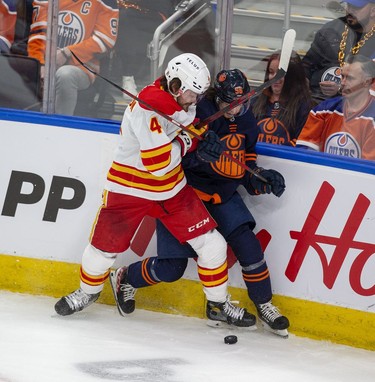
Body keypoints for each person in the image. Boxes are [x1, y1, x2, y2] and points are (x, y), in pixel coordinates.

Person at [54, 53, 255, 328]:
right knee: (103, 250)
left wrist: (201, 139)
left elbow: (186, 131)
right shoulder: (147, 109)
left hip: (171, 189)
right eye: (193, 94)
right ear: (175, 86)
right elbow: (158, 163)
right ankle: (87, 293)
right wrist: (189, 141)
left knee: (213, 246)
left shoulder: (182, 98)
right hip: (129, 188)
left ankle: (218, 304)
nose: (197, 101)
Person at [110, 69, 290, 337]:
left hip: (222, 195)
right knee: (172, 268)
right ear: (217, 98)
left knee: (248, 246)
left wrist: (258, 178)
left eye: (242, 104)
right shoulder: (195, 112)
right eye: (230, 103)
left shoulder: (246, 119)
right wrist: (198, 156)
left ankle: (263, 303)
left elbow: (245, 158)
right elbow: (171, 156)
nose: (235, 110)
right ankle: (126, 277)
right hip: (184, 195)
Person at [27, 0, 119, 115]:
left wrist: (68, 52)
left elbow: (106, 39)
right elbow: (38, 31)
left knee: (66, 75)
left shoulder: (106, 1)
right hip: (46, 63)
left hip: (82, 67)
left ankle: (60, 127)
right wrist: (39, 64)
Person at [296, 54, 375, 160]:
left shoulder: (372, 119)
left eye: (350, 78)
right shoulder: (322, 111)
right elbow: (303, 154)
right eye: (342, 76)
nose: (342, 83)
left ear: (367, 82)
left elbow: (367, 169)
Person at [302, 0, 375, 104]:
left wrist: (342, 88)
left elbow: (371, 83)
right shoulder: (331, 29)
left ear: (373, 11)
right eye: (348, 6)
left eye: (356, 8)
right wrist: (302, 84)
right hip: (316, 100)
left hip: (355, 106)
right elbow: (307, 64)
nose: (349, 11)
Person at [251, 51, 312, 146]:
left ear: (293, 76)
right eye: (271, 72)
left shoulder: (304, 107)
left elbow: (303, 143)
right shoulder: (254, 102)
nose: (275, 78)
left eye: (281, 73)